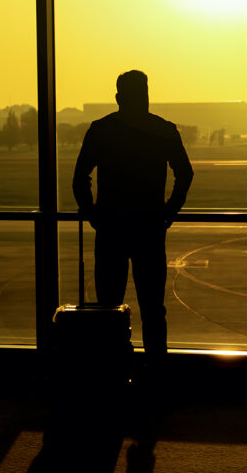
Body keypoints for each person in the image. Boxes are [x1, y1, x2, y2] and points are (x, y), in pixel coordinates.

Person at [73, 69, 193, 367]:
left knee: (108, 308)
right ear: (147, 95)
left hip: (111, 227)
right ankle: (156, 370)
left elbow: (80, 178)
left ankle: (109, 369)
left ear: (118, 98)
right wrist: (169, 210)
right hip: (149, 227)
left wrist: (93, 214)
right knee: (153, 308)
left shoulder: (101, 130)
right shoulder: (164, 130)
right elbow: (185, 173)